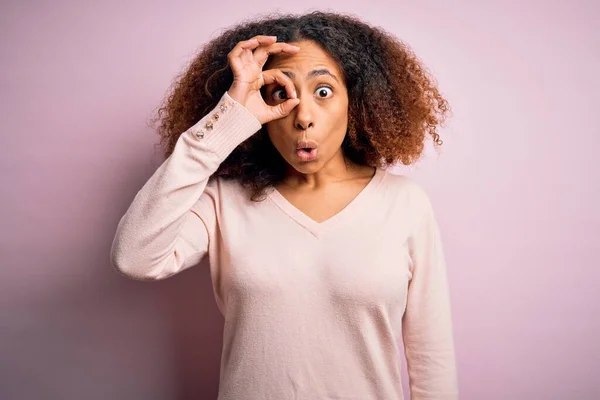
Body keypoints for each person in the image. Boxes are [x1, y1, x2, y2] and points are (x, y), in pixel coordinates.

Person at [110, 10, 459, 400]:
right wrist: (229, 117)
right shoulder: (224, 201)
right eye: (280, 93)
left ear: (356, 101)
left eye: (323, 91)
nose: (303, 116)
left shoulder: (404, 203)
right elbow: (135, 257)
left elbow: (432, 360)